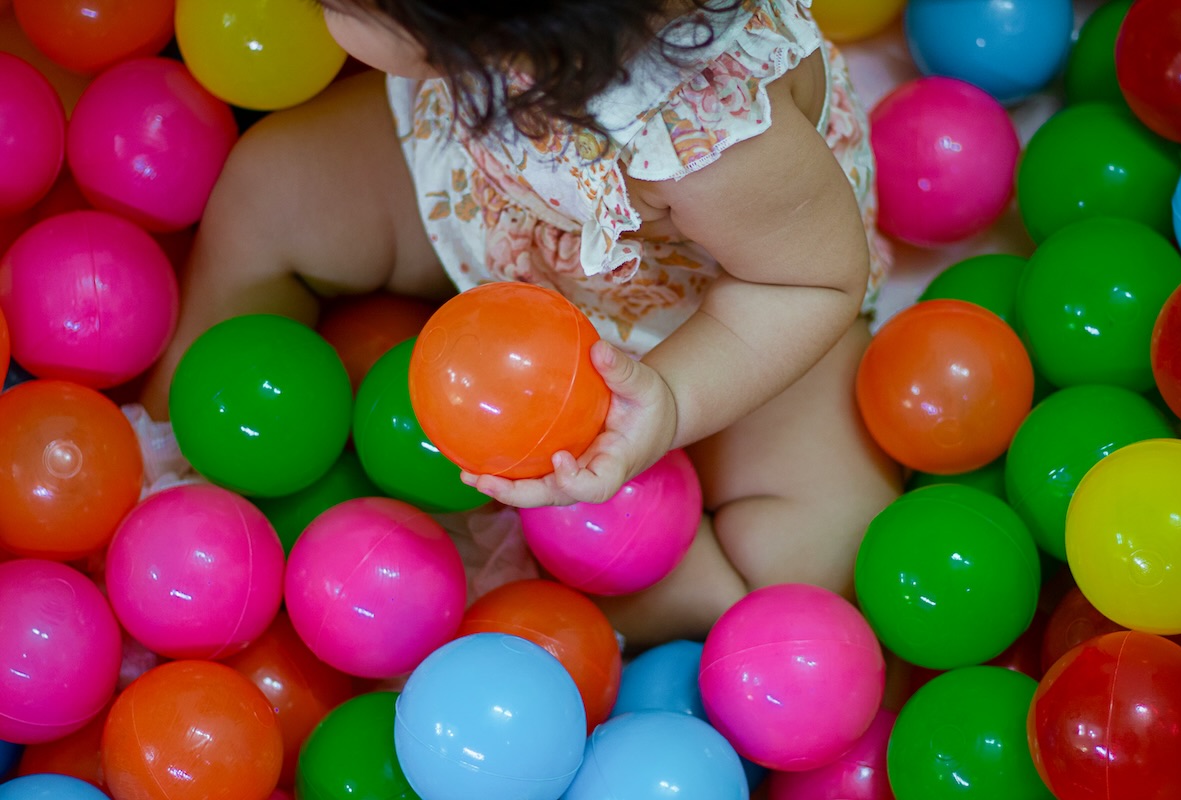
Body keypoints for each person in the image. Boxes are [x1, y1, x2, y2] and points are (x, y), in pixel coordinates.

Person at [141, 0, 904, 648]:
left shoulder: (710, 137)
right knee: (270, 195)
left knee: (815, 550)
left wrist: (667, 399)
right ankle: (170, 445)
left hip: (708, 302)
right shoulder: (505, 37)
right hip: (483, 196)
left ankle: (648, 591)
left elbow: (804, 283)